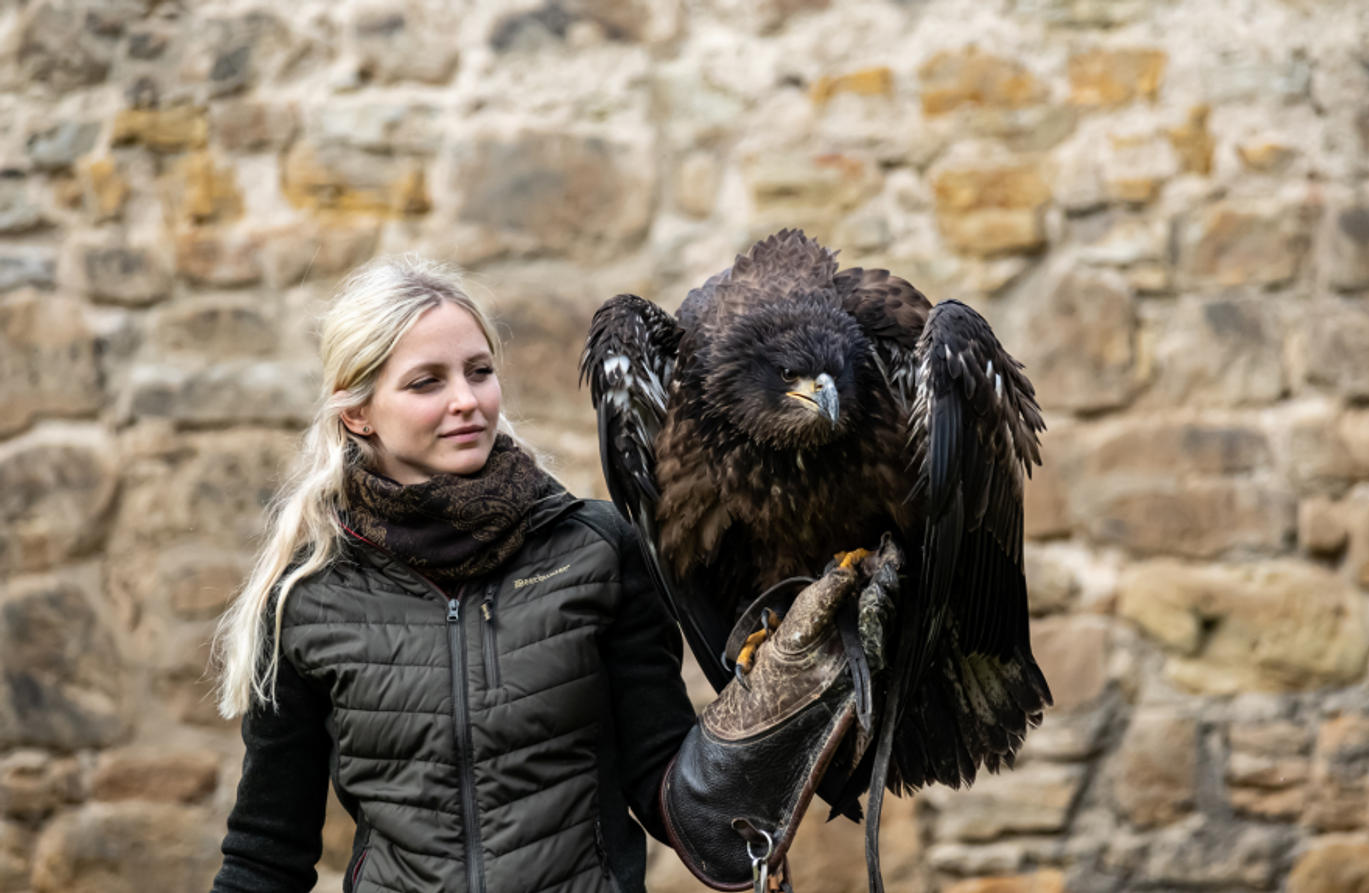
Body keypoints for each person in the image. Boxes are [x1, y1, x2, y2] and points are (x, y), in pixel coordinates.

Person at [209, 256, 878, 893]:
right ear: (356, 411)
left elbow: (670, 790)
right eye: (426, 382)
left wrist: (775, 712)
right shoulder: (308, 595)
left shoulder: (593, 549)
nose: (466, 399)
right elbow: (267, 850)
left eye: (479, 371)